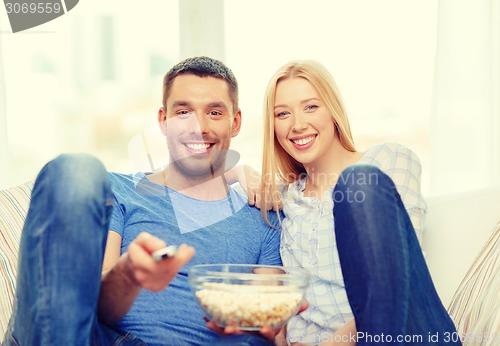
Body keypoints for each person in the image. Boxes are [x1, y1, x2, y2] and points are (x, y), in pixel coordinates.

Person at [3, 56, 283, 346]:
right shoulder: (119, 191)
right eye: (183, 112)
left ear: (235, 122)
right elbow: (94, 308)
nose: (198, 127)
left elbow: (267, 322)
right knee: (76, 169)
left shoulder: (264, 218)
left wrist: (254, 326)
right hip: (95, 338)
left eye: (214, 113)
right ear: (163, 120)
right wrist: (128, 276)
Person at [257, 59, 461, 345]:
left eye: (311, 107)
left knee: (358, 180)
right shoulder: (282, 200)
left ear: (333, 110)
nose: (298, 124)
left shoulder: (387, 161)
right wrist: (238, 171)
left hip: (408, 333)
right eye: (282, 114)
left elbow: (397, 276)